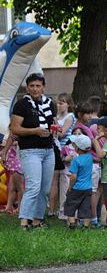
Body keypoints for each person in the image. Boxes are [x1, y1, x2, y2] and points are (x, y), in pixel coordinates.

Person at [9, 73, 57, 230]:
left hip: (48, 150)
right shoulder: (22, 104)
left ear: (43, 87)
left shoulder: (50, 103)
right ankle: (24, 221)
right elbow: (15, 128)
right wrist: (34, 131)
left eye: (38, 86)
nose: (35, 89)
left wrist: (57, 129)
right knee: (33, 186)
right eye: (32, 86)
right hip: (30, 150)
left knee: (44, 189)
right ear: (27, 88)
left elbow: (54, 125)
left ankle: (37, 220)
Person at [49, 93, 75, 218]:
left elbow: (62, 133)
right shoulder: (56, 116)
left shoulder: (70, 116)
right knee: (53, 181)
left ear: (68, 104)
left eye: (61, 103)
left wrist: (53, 126)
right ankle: (52, 210)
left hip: (65, 150)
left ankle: (64, 211)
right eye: (57, 103)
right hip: (54, 149)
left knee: (65, 181)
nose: (58, 105)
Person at [63, 134, 94, 229]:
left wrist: (70, 187)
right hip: (88, 188)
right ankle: (85, 226)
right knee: (86, 207)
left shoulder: (76, 161)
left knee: (70, 206)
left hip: (76, 188)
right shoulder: (90, 157)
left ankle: (72, 224)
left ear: (77, 148)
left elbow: (73, 177)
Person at [2, 134, 24, 213]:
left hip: (16, 163)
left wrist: (5, 144)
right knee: (11, 187)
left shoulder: (17, 135)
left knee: (19, 187)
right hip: (11, 163)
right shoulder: (10, 134)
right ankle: (8, 207)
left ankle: (20, 208)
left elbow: (18, 142)